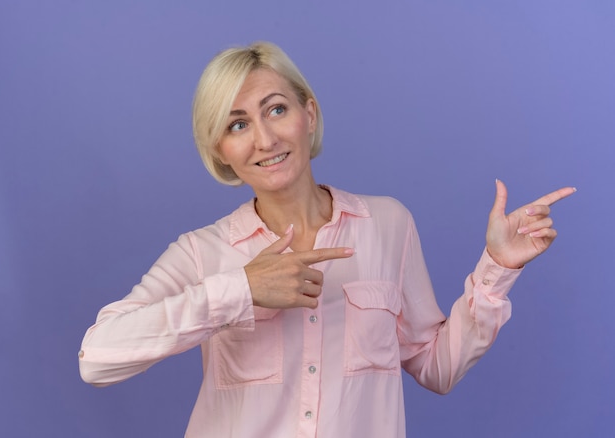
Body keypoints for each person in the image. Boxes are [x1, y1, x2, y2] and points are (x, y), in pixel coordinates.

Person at [79, 41, 575, 437]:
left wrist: (498, 268)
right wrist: (241, 291)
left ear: (308, 115)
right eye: (237, 124)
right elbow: (97, 359)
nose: (265, 140)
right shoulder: (201, 252)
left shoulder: (388, 224)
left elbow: (435, 367)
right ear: (221, 152)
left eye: (275, 110)